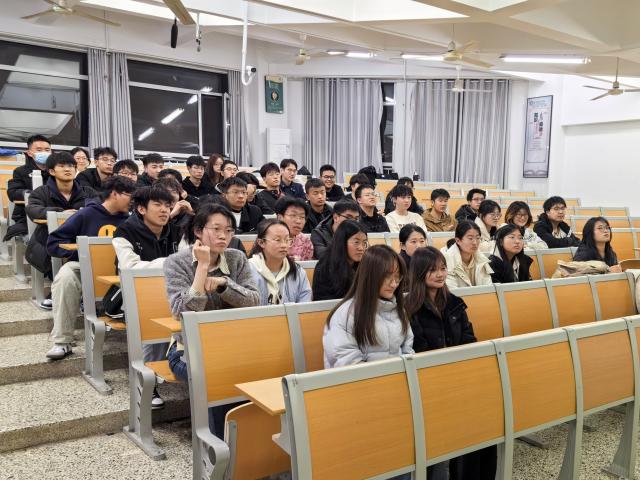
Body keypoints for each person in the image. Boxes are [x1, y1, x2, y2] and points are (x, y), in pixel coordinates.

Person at [163, 202, 259, 437]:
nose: (223, 236)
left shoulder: (236, 258)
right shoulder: (176, 262)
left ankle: (249, 442)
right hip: (187, 351)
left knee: (262, 369)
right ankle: (218, 447)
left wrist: (224, 285)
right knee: (217, 375)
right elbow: (182, 312)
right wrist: (202, 267)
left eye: (229, 230)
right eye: (216, 229)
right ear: (198, 231)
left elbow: (254, 300)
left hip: (233, 347)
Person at [405, 246, 496, 480]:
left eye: (443, 268)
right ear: (419, 272)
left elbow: (469, 338)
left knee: (486, 420)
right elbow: (419, 349)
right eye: (432, 270)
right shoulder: (410, 308)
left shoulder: (454, 302)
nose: (440, 274)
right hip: (430, 382)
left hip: (459, 376)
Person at [44, 176, 136, 360]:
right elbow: (54, 242)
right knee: (66, 276)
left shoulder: (131, 220)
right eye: (129, 196)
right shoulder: (86, 214)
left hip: (119, 269)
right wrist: (82, 252)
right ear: (114, 194)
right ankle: (62, 341)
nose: (133, 201)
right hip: (85, 266)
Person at [323, 244, 413, 368]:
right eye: (387, 276)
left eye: (397, 277)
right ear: (370, 276)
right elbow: (346, 362)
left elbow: (408, 350)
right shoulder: (346, 314)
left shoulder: (398, 309)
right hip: (362, 379)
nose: (394, 284)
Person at [25, 152, 97, 304]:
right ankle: (58, 294)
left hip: (80, 236)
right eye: (62, 166)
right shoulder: (41, 192)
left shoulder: (87, 191)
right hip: (49, 236)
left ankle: (86, 295)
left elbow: (98, 209)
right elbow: (33, 210)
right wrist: (60, 213)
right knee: (60, 250)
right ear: (52, 171)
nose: (67, 169)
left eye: (71, 166)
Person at [248, 219, 312, 305]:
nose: (284, 245)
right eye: (277, 240)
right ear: (261, 242)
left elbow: (304, 306)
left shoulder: (298, 271)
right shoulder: (248, 269)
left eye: (287, 240)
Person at [5, 134, 51, 240]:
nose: (44, 153)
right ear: (30, 153)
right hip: (26, 216)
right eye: (39, 150)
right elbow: (13, 192)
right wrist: (32, 194)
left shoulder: (57, 171)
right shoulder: (20, 171)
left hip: (53, 213)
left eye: (47, 150)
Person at [312, 220, 367, 301]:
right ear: (342, 242)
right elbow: (323, 302)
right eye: (356, 242)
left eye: (364, 243)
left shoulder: (365, 265)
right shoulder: (325, 266)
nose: (361, 248)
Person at [443, 221, 493, 289]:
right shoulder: (447, 260)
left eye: (478, 238)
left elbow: (488, 288)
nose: (475, 242)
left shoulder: (481, 259)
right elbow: (452, 290)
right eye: (470, 238)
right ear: (458, 240)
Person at [275, 196, 314, 261]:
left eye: (302, 217)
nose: (298, 221)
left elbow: (307, 266)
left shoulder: (305, 241)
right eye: (293, 215)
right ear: (280, 218)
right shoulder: (268, 239)